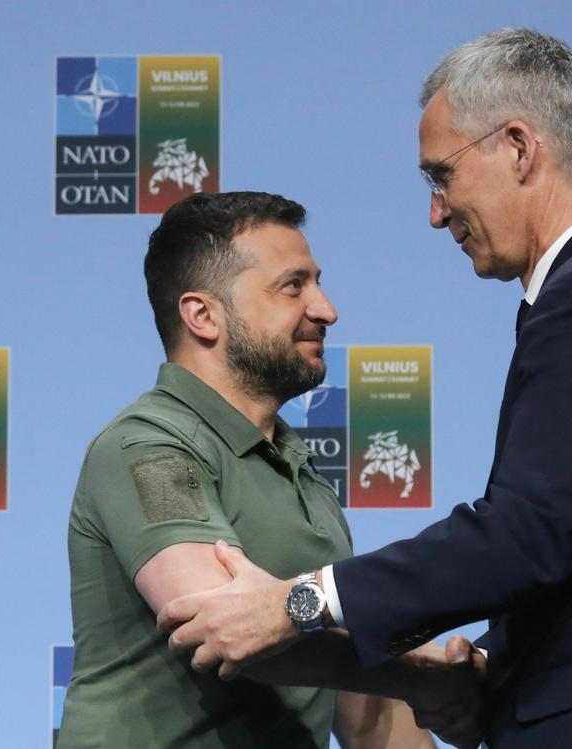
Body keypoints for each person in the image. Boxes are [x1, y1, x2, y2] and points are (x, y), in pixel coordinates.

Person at [157, 29, 572, 749]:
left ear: (518, 146)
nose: (435, 211)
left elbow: (526, 536)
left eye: (441, 175)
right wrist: (485, 672)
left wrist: (299, 601)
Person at [58, 191, 477, 749]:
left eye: (317, 283)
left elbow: (368, 718)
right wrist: (426, 674)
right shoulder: (146, 448)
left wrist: (425, 684)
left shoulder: (299, 467)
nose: (326, 309)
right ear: (202, 315)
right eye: (293, 286)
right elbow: (225, 625)